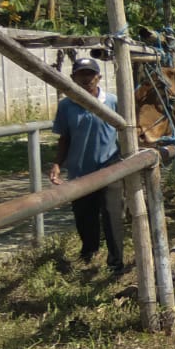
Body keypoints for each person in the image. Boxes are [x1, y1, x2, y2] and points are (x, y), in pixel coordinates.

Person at [50, 58, 126, 273]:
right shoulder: (66, 106)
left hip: (110, 167)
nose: (86, 78)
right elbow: (64, 138)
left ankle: (116, 262)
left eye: (90, 74)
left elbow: (128, 131)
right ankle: (89, 251)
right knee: (84, 215)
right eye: (81, 74)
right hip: (80, 170)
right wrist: (57, 164)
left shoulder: (112, 101)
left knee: (112, 215)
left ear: (99, 77)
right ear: (72, 78)